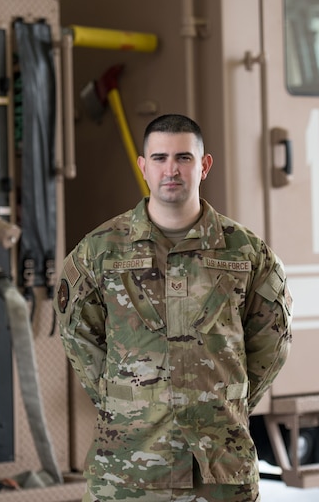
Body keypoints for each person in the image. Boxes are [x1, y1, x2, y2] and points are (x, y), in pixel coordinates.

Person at [54, 114, 292, 502]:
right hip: (128, 468)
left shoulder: (246, 252)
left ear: (204, 165)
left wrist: (223, 400)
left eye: (183, 158)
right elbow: (78, 335)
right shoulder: (100, 251)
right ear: (143, 166)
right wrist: (127, 399)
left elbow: (271, 342)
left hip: (218, 467)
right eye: (160, 158)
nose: (171, 170)